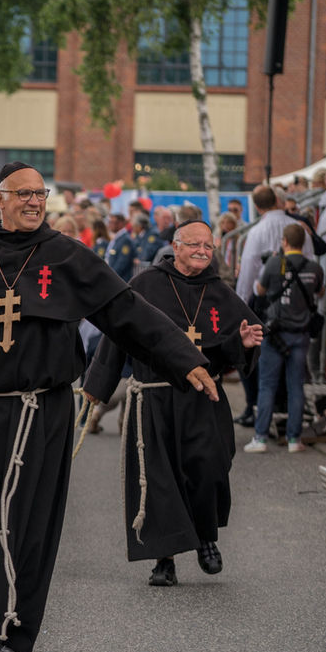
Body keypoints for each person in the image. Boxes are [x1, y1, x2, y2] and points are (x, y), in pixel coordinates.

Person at [0, 162, 217, 652]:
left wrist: (182, 356)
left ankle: (8, 642)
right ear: (0, 200)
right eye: (24, 194)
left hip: (43, 414)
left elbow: (126, 310)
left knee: (25, 529)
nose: (35, 202)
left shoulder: (64, 255)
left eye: (41, 193)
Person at [83, 219, 263, 586]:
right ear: (175, 246)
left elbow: (230, 345)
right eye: (194, 244)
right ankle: (163, 559)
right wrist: (98, 384)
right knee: (159, 477)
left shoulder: (219, 291)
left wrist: (240, 343)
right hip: (156, 396)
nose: (202, 251)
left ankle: (205, 539)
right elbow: (118, 331)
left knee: (209, 468)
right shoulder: (146, 284)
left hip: (203, 397)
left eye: (208, 247)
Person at [234, 185, 313, 427]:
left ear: (257, 206)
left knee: (253, 356)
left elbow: (248, 269)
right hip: (298, 300)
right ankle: (285, 418)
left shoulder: (257, 231)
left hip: (266, 299)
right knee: (291, 368)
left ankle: (256, 409)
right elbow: (310, 262)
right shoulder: (300, 229)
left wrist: (240, 304)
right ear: (278, 201)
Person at [244, 223, 324, 454]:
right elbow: (319, 293)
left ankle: (260, 439)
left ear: (285, 242)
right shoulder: (314, 268)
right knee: (296, 386)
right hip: (301, 335)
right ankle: (294, 440)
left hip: (275, 333)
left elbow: (259, 290)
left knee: (267, 385)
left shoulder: (274, 263)